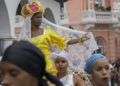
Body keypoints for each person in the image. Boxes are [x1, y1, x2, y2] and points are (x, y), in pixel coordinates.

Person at [21, 1, 89, 76]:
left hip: (48, 67)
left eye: (41, 17)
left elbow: (64, 41)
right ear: (30, 19)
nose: (40, 19)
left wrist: (80, 39)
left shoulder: (47, 33)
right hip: (32, 68)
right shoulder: (25, 36)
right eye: (37, 17)